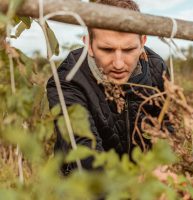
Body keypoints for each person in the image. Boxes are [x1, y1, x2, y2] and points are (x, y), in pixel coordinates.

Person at [46, 0, 169, 175]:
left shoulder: (157, 68)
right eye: (107, 49)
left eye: (128, 50)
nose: (118, 64)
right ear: (88, 44)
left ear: (142, 42)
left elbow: (167, 126)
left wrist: (160, 165)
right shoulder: (68, 80)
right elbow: (85, 154)